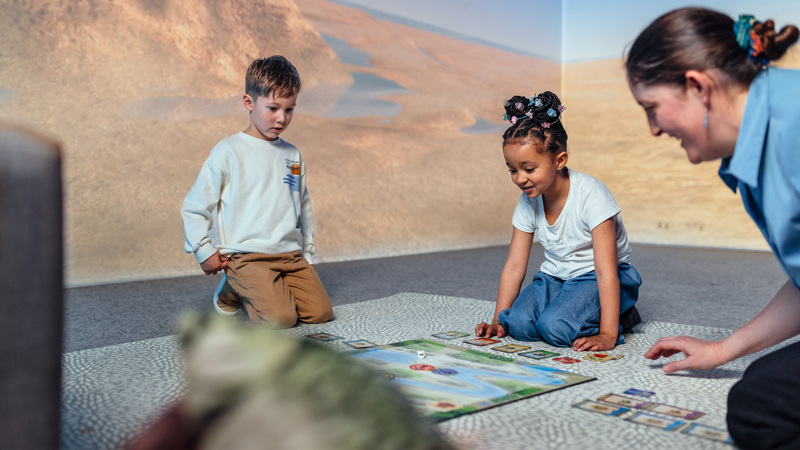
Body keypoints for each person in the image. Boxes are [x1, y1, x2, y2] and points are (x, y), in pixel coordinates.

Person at [626, 8, 800, 448]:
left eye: (652, 108)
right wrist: (724, 349)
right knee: (765, 382)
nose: (652, 129)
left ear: (698, 88)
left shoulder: (794, 126)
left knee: (761, 404)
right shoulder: (755, 142)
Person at [475, 91, 642, 351]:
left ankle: (622, 315)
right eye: (512, 170)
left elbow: (605, 270)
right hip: (555, 277)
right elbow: (514, 265)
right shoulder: (528, 199)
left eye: (529, 169)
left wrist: (608, 334)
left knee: (555, 327)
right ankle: (566, 308)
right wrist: (498, 320)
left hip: (599, 277)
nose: (520, 179)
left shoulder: (592, 195)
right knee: (517, 324)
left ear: (560, 160)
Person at [181, 56, 332, 327]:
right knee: (281, 318)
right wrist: (203, 251)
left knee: (319, 314)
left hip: (290, 255)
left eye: (289, 110)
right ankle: (230, 292)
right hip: (247, 256)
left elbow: (303, 206)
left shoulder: (292, 154)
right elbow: (195, 205)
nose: (282, 118)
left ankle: (258, 289)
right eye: (273, 108)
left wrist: (307, 254)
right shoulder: (228, 151)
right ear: (249, 102)